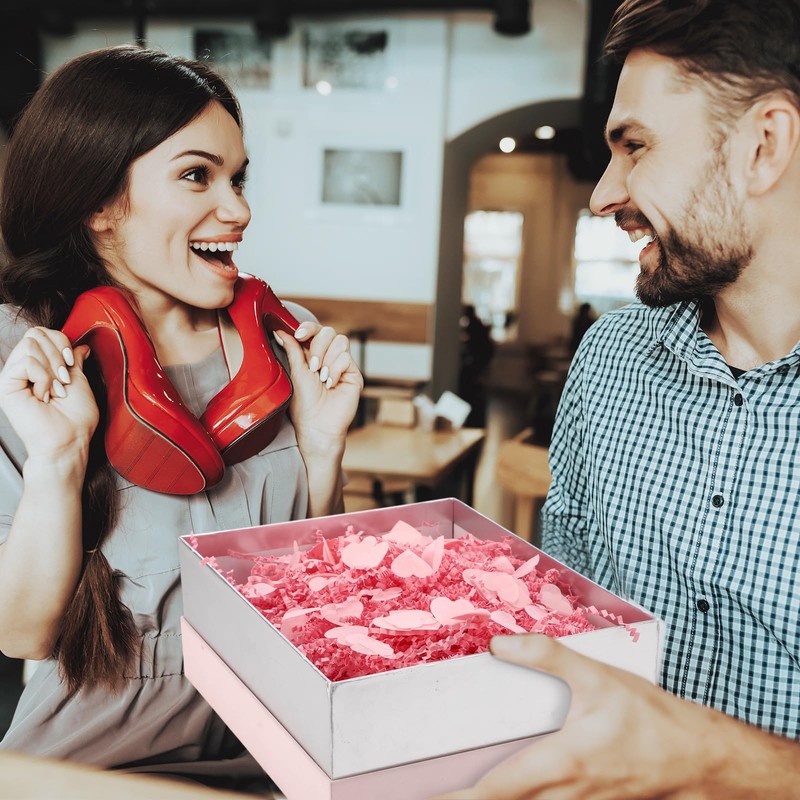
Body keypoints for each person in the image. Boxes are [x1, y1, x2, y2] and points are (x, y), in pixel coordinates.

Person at [435, 0, 800, 797]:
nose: (603, 194)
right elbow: (565, 617)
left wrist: (715, 759)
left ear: (764, 145)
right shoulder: (610, 359)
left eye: (634, 146)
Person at [0, 45, 362, 792]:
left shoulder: (283, 339)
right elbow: (22, 632)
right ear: (100, 203)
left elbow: (307, 593)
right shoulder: (24, 363)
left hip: (279, 746)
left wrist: (323, 448)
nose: (239, 211)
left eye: (238, 178)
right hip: (102, 768)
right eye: (197, 175)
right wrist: (59, 461)